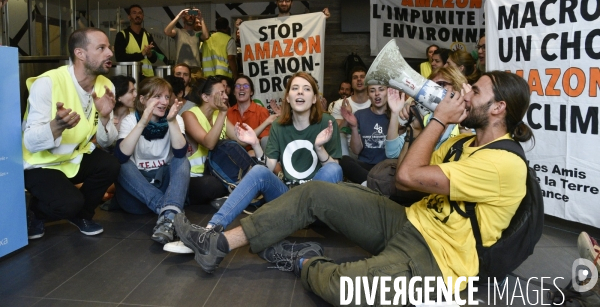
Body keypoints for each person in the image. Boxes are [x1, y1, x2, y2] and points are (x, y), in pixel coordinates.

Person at [173, 71, 533, 305]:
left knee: (342, 288)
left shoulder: (504, 164)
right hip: (408, 220)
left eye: (475, 90)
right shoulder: (464, 143)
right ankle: (217, 243)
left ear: (498, 108)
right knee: (314, 192)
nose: (466, 94)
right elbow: (403, 170)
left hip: (438, 260)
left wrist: (439, 118)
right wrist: (412, 123)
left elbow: (408, 176)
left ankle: (302, 259)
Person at [172, 72, 343, 261]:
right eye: (295, 88)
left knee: (334, 169)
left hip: (317, 205)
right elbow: (267, 169)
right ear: (287, 97)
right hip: (287, 197)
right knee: (259, 170)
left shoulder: (327, 123)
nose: (300, 92)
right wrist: (254, 144)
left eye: (306, 89)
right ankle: (208, 232)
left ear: (314, 99)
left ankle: (297, 216)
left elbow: (336, 172)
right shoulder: (279, 126)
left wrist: (319, 149)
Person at [23, 28, 120, 238]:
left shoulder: (106, 85)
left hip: (74, 157)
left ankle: (81, 215)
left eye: (109, 47)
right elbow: (30, 142)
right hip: (41, 163)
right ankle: (35, 214)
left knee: (110, 165)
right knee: (69, 203)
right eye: (101, 48)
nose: (110, 53)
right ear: (80, 54)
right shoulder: (47, 83)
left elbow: (108, 141)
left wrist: (104, 117)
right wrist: (56, 126)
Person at [114, 77, 190, 245]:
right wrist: (142, 122)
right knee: (121, 165)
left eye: (166, 97)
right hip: (137, 196)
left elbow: (180, 152)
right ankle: (170, 213)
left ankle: (167, 216)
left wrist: (171, 121)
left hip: (163, 187)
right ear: (143, 100)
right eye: (157, 96)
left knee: (182, 161)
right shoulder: (130, 120)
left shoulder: (175, 119)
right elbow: (121, 157)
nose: (164, 102)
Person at [181, 76, 235, 205]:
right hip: (195, 176)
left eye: (225, 93)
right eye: (221, 93)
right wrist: (223, 113)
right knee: (210, 186)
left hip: (216, 172)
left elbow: (240, 139)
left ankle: (228, 194)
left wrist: (254, 140)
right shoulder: (189, 115)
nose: (226, 97)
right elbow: (209, 144)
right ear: (205, 97)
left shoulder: (217, 114)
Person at [339, 84, 389, 184]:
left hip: (387, 168)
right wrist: (353, 127)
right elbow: (356, 151)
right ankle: (375, 184)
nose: (377, 93)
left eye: (381, 89)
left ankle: (370, 184)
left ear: (388, 92)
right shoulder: (360, 115)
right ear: (368, 95)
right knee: (344, 161)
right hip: (365, 166)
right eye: (372, 90)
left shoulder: (395, 114)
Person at [227, 74, 278, 151]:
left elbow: (265, 140)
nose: (241, 88)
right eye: (238, 86)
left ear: (251, 92)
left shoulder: (262, 111)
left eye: (246, 86)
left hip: (256, 155)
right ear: (234, 92)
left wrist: (254, 151)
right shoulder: (228, 112)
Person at [114, 5, 157, 78]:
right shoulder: (122, 35)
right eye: (134, 13)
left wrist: (149, 54)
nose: (137, 15)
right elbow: (120, 58)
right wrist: (141, 54)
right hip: (129, 77)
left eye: (140, 13)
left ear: (143, 16)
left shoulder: (148, 35)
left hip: (147, 78)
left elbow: (154, 59)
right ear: (129, 17)